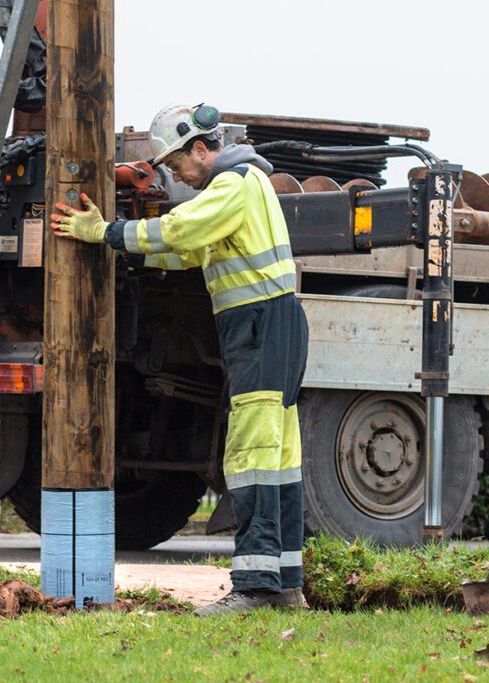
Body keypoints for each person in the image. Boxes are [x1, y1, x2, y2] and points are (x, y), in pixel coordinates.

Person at [50, 103, 309, 616]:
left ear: (200, 148)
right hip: (274, 326)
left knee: (250, 456)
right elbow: (190, 253)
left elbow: (179, 231)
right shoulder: (247, 186)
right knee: (278, 459)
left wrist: (105, 232)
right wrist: (132, 253)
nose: (174, 176)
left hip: (256, 328)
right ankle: (286, 586)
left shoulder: (232, 186)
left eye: (174, 165)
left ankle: (255, 588)